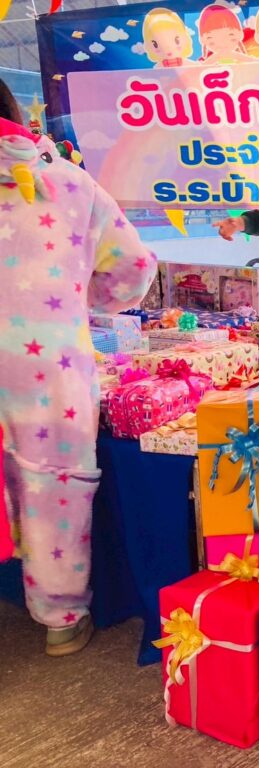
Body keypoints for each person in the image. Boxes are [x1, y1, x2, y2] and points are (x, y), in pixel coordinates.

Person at [0, 94, 157, 655]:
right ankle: (61, 618)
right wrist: (82, 296)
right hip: (49, 361)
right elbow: (134, 267)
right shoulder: (71, 183)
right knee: (54, 482)